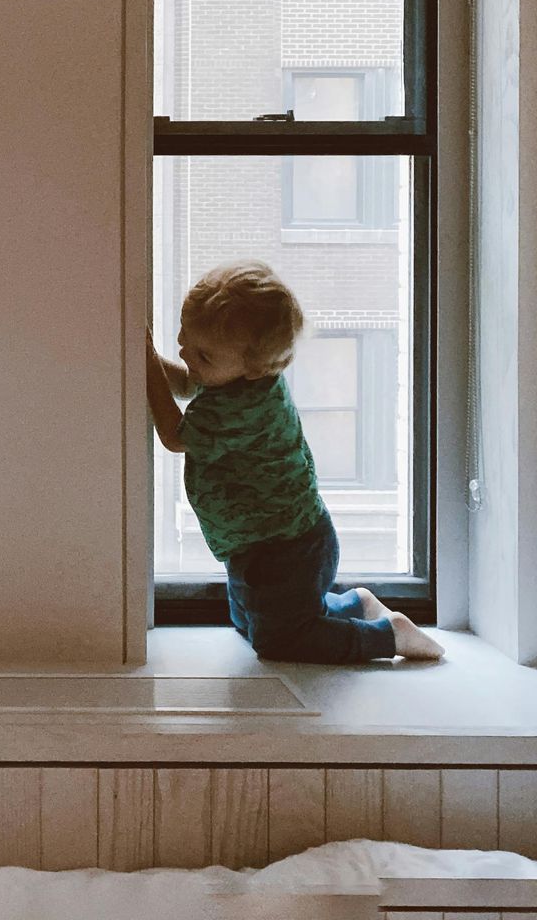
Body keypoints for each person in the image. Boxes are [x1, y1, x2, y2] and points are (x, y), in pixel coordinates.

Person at [146, 262, 444, 665]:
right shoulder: (238, 375)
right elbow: (185, 381)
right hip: (264, 542)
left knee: (280, 640)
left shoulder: (241, 408)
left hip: (285, 548)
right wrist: (145, 356)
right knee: (250, 621)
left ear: (253, 366)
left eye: (202, 355)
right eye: (184, 338)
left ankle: (387, 637)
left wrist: (145, 364)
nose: (184, 353)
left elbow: (173, 435)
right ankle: (355, 604)